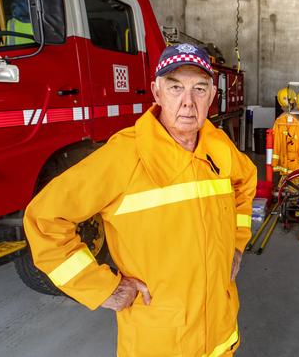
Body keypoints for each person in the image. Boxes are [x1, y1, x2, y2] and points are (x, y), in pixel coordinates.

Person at [23, 43, 256, 356]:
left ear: (212, 96)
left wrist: (237, 246)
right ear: (156, 93)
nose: (188, 103)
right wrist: (103, 288)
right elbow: (44, 219)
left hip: (220, 332)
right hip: (160, 340)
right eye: (175, 88)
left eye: (199, 89)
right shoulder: (125, 155)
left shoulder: (217, 145)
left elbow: (246, 181)